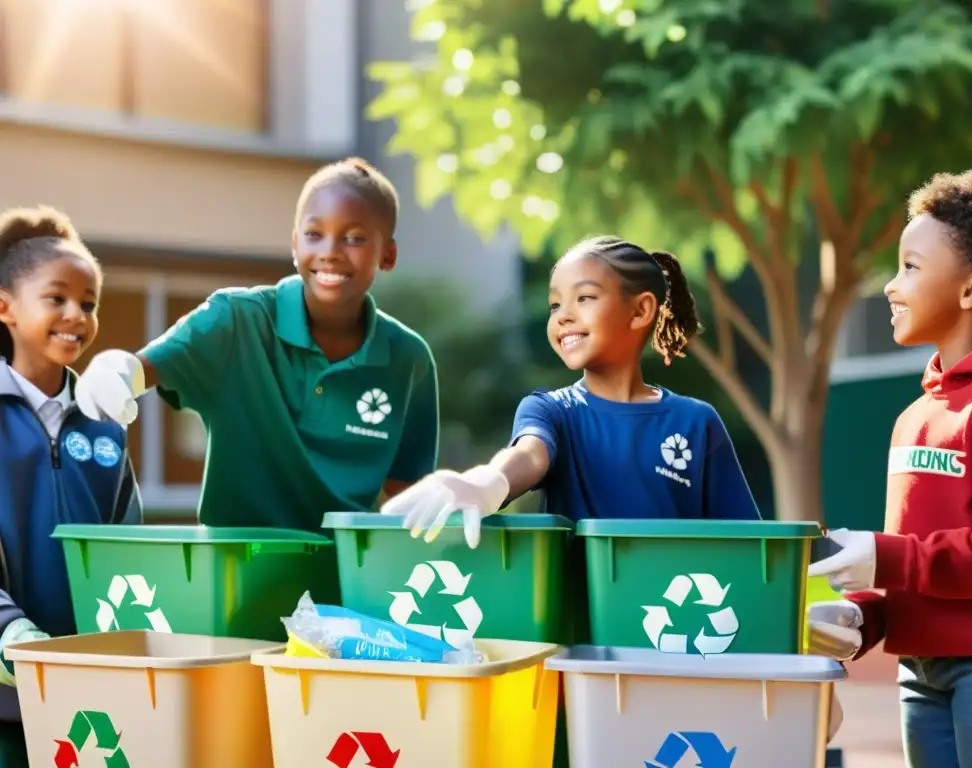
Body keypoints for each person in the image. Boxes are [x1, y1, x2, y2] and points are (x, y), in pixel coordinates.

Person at [71, 158, 439, 532]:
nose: (331, 250)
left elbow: (405, 501)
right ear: (295, 244)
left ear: (387, 255)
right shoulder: (235, 320)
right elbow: (142, 371)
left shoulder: (409, 359)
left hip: (345, 577)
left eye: (355, 237)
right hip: (236, 571)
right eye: (314, 234)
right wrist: (114, 371)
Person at [808, 171, 972, 768]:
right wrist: (866, 616)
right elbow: (912, 558)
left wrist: (887, 556)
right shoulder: (913, 417)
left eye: (910, 267)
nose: (889, 286)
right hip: (918, 672)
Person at [382, 235, 760, 548]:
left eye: (584, 298)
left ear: (641, 310)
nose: (562, 315)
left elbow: (745, 541)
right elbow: (529, 455)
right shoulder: (551, 411)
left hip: (679, 623)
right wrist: (486, 482)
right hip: (584, 636)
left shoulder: (695, 421)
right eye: (554, 304)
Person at [0, 206, 141, 766]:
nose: (75, 315)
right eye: (56, 298)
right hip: (6, 698)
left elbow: (128, 551)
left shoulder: (108, 426)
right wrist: (14, 636)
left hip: (92, 695)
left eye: (89, 303)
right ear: (4, 306)